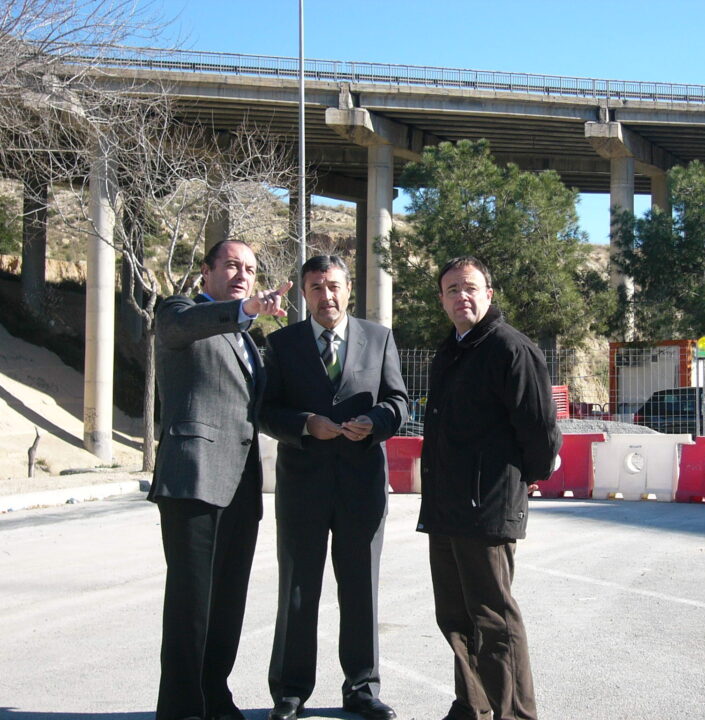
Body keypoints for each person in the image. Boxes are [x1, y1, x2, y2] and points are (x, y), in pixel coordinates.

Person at [259, 255, 408, 720]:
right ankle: (290, 691)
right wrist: (306, 425)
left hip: (362, 486)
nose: (327, 296)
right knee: (298, 588)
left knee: (361, 589)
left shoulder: (379, 338)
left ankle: (362, 687)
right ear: (304, 293)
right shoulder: (281, 344)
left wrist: (376, 421)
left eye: (335, 286)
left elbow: (398, 401)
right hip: (303, 487)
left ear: (349, 289)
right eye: (317, 287)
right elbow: (265, 410)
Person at [149, 239, 292, 720]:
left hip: (241, 486)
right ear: (206, 272)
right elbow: (182, 327)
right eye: (231, 265)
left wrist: (313, 426)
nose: (241, 274)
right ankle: (182, 708)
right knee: (191, 603)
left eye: (250, 269)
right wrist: (243, 310)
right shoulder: (179, 312)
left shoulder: (250, 342)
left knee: (227, 603)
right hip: (193, 477)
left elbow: (259, 412)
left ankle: (214, 695)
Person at [418, 256, 562, 720]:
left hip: (486, 508)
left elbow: (540, 431)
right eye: (452, 289)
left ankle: (514, 714)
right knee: (455, 617)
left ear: (489, 294)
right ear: (442, 300)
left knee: (494, 620)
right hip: (445, 506)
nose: (462, 296)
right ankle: (472, 707)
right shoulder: (450, 351)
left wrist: (519, 486)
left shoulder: (509, 349)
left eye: (470, 287)